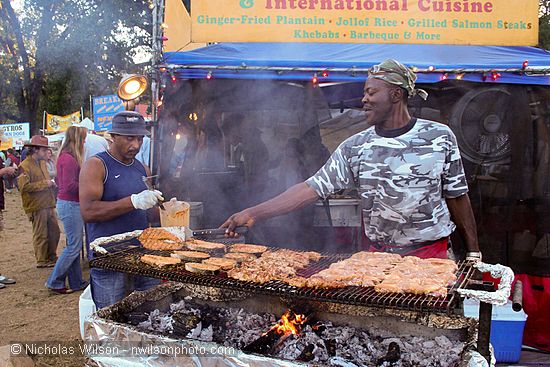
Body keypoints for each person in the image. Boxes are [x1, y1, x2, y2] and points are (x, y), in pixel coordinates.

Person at [222, 59, 481, 261]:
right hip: (378, 258)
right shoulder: (355, 146)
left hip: (430, 255)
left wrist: (473, 254)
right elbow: (310, 188)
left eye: (371, 92)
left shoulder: (439, 137)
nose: (364, 99)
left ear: (395, 95)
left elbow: (457, 195)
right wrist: (254, 213)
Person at [79, 111, 164, 309]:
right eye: (129, 138)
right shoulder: (96, 165)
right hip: (108, 255)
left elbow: (149, 214)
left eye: (140, 138)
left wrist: (168, 208)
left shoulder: (143, 169)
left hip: (141, 253)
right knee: (111, 314)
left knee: (152, 310)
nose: (135, 144)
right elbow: (88, 211)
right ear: (113, 136)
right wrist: (133, 201)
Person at [45, 126, 89, 294]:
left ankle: (76, 281)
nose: (85, 143)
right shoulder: (69, 159)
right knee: (74, 246)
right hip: (70, 204)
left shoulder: (65, 157)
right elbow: (70, 185)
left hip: (69, 203)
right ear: (77, 140)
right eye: (83, 139)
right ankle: (54, 282)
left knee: (74, 245)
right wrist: (88, 186)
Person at [17, 135, 60, 268]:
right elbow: (23, 187)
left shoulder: (42, 163)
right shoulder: (24, 166)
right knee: (41, 233)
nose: (46, 152)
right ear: (35, 150)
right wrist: (45, 184)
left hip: (48, 203)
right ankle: (41, 260)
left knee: (54, 232)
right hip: (36, 205)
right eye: (43, 149)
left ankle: (51, 256)